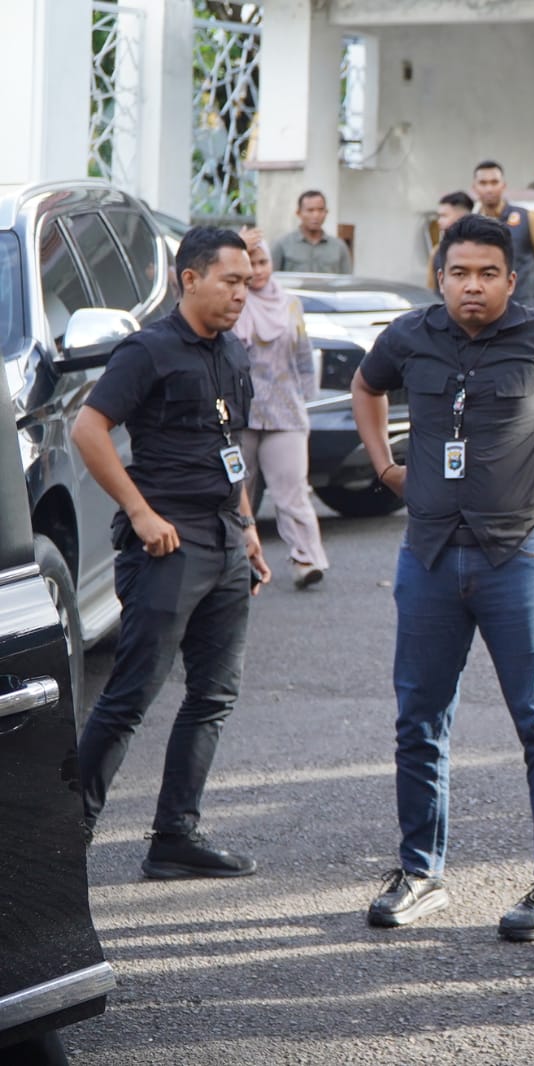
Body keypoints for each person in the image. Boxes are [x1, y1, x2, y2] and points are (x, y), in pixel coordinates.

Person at [350, 214, 534, 937]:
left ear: (511, 277)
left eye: (488, 273)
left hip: (518, 554)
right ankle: (419, 873)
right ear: (439, 277)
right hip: (429, 554)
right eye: (459, 272)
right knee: (419, 721)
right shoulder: (409, 336)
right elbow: (365, 387)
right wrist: (385, 467)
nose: (473, 286)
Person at [71, 226, 272, 878]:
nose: (244, 293)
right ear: (191, 278)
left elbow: (228, 445)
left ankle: (174, 836)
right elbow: (88, 428)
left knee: (213, 695)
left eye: (248, 282)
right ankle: (61, 846)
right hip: (166, 546)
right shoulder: (148, 351)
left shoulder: (230, 351)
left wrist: (246, 524)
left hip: (223, 540)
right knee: (130, 698)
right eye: (231, 281)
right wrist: (139, 511)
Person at [235, 228, 331, 590]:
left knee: (292, 489)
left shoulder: (289, 303)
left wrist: (309, 397)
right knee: (234, 490)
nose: (258, 271)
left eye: (263, 262)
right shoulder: (232, 298)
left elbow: (303, 353)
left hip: (285, 410)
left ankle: (307, 561)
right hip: (239, 410)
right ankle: (237, 562)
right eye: (251, 263)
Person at [473, 160, 534, 312]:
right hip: (493, 306)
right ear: (474, 188)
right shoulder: (471, 223)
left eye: (494, 182)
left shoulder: (527, 217)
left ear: (503, 185)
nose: (489, 188)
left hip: (529, 304)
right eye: (483, 183)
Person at [271, 190, 353, 275]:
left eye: (320, 210)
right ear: (298, 213)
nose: (316, 215)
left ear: (326, 212)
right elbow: (271, 280)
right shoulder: (282, 244)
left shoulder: (339, 247)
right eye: (310, 210)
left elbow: (347, 281)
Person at [428, 191, 474, 290]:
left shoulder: (481, 251)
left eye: (444, 216)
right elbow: (431, 289)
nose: (439, 222)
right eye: (439, 216)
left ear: (462, 218)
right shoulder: (437, 251)